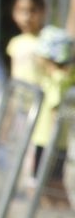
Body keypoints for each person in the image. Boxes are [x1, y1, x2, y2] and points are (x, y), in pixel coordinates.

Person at [29, 26, 75, 206]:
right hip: (51, 141)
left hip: (49, 141)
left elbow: (56, 110)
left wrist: (51, 138)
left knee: (51, 184)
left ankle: (63, 217)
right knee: (48, 183)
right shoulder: (61, 79)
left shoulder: (57, 80)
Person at [8, 0, 47, 85]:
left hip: (41, 98)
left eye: (32, 10)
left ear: (42, 11)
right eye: (21, 10)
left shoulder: (48, 40)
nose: (26, 17)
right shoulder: (15, 42)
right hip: (19, 98)